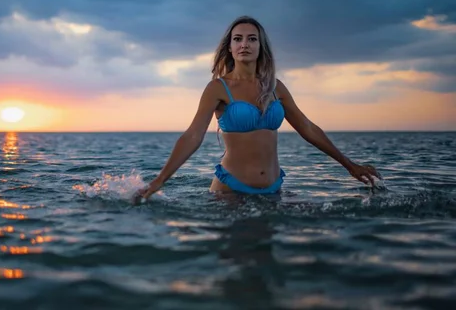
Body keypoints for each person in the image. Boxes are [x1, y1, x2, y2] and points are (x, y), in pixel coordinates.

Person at [134, 15, 381, 203]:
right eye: (237, 39)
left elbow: (307, 128)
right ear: (229, 47)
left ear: (261, 46)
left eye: (252, 39)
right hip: (230, 193)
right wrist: (159, 180)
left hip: (274, 190)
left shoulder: (276, 87)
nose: (245, 44)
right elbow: (192, 136)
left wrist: (350, 165)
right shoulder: (218, 88)